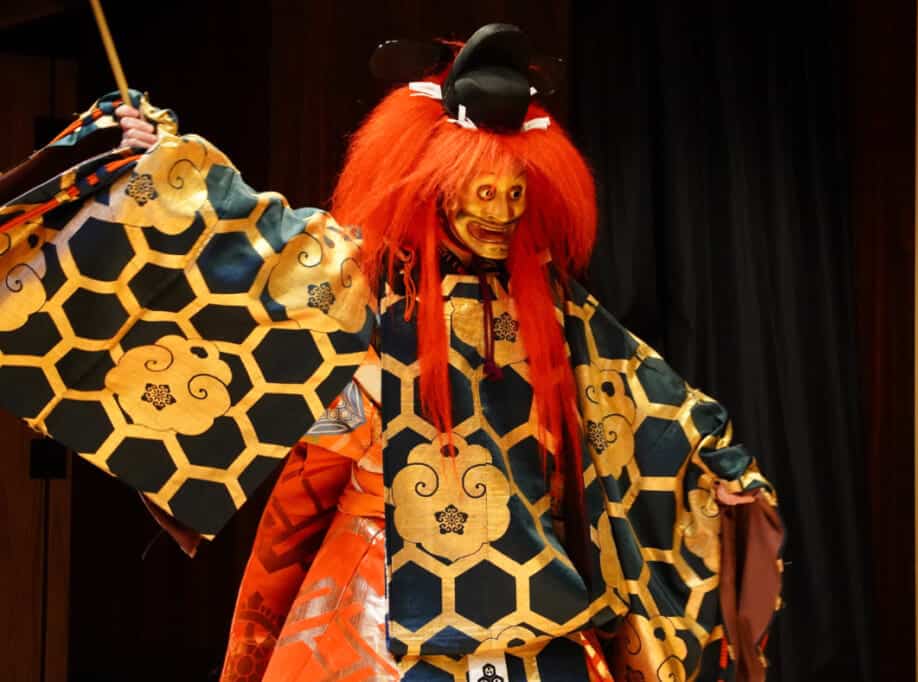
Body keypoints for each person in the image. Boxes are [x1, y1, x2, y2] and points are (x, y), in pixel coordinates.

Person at [0, 23, 782, 682]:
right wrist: (150, 163)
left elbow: (648, 405)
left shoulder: (558, 310)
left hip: (533, 599)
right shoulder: (357, 279)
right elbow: (234, 239)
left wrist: (723, 471)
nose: (500, 213)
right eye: (479, 190)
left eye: (516, 194)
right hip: (374, 591)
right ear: (430, 182)